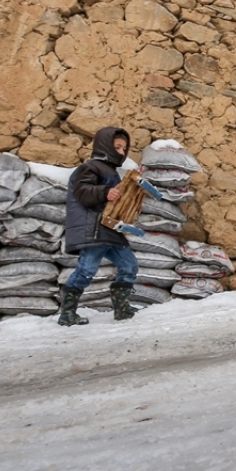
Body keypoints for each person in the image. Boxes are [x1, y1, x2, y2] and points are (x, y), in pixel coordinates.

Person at [59, 125, 141, 326]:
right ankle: (67, 313)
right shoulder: (90, 167)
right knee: (86, 269)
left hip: (109, 228)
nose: (122, 152)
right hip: (93, 229)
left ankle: (121, 308)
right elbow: (83, 191)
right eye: (118, 147)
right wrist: (105, 192)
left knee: (129, 265)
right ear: (106, 145)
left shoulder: (111, 171)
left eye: (124, 149)